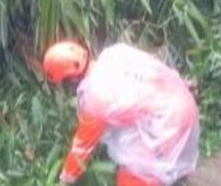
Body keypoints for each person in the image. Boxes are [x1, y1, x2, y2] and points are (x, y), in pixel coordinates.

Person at [43, 41, 200, 186]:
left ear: (70, 79)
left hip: (166, 125)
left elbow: (82, 147)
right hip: (181, 100)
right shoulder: (115, 54)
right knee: (165, 170)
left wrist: (65, 179)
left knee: (135, 177)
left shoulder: (95, 97)